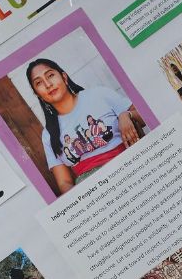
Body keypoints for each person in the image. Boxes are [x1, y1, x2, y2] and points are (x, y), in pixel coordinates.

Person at [26, 58, 146, 193]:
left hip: (131, 169)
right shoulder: (48, 134)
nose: (48, 84)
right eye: (39, 83)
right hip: (94, 191)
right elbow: (64, 183)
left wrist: (126, 115)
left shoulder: (99, 95)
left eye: (50, 75)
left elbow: (146, 116)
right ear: (38, 94)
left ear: (64, 77)